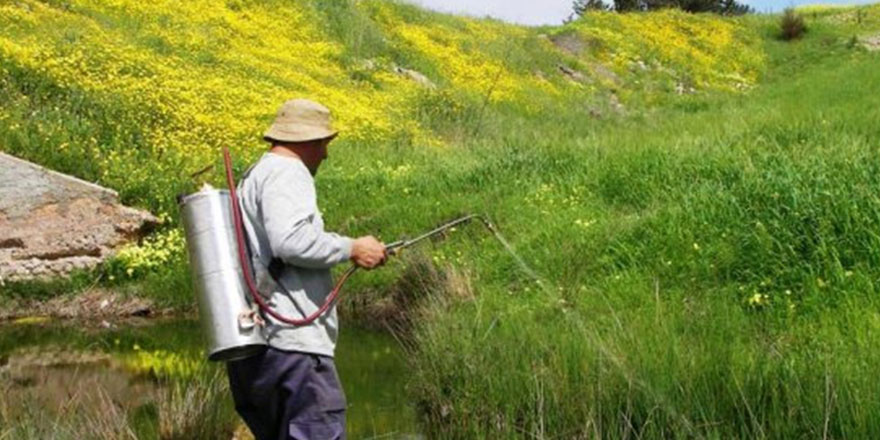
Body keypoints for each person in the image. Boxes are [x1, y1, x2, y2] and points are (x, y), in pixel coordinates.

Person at [226, 98, 387, 440]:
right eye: (324, 145)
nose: (326, 155)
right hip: (294, 350)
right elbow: (290, 241)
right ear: (310, 140)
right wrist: (352, 248)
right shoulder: (289, 172)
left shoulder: (256, 173)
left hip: (258, 348)